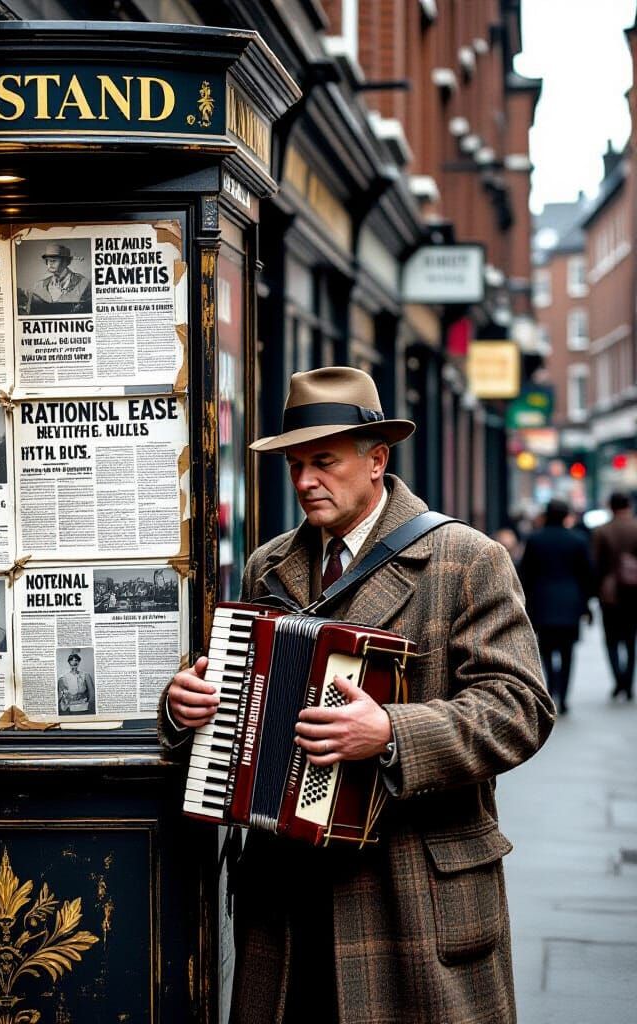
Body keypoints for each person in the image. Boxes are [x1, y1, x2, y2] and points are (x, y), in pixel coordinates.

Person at [160, 366, 554, 1024]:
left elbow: (520, 709)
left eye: (323, 462)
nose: (305, 481)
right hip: (286, 896)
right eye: (294, 465)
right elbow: (242, 705)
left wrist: (393, 733)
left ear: (377, 460)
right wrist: (186, 708)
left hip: (410, 893)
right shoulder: (269, 563)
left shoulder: (465, 558)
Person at [517, 498, 595, 714]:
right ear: (566, 516)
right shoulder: (577, 540)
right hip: (570, 602)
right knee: (568, 651)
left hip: (542, 602)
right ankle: (565, 695)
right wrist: (586, 604)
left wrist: (526, 602)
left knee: (547, 650)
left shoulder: (535, 540)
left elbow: (525, 574)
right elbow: (587, 575)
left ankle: (551, 689)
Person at [592, 491, 637, 700]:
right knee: (630, 638)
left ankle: (618, 679)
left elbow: (596, 564)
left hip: (609, 593)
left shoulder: (602, 531)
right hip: (633, 591)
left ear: (611, 506)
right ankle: (628, 682)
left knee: (611, 639)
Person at [21, 242, 91, 314]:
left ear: (66, 262)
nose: (50, 263)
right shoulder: (39, 285)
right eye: (48, 260)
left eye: (54, 260)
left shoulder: (84, 283)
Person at [57, 649, 95, 715]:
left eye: (76, 660)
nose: (74, 662)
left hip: (83, 705)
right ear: (69, 662)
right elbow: (60, 694)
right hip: (69, 707)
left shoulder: (86, 675)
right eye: (72, 660)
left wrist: (89, 705)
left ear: (79, 662)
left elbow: (92, 693)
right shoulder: (63, 678)